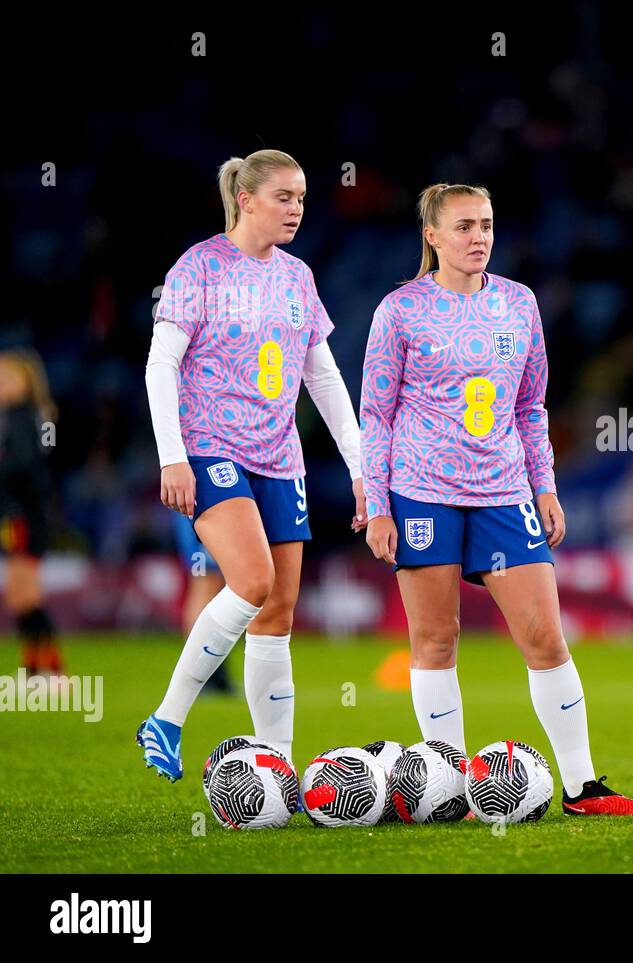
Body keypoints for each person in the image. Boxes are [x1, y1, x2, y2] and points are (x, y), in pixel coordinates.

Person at [361, 183, 633, 817]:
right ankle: (443, 790)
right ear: (432, 236)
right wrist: (378, 503)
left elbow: (529, 407)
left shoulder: (519, 304)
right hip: (423, 491)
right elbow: (376, 416)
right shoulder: (401, 310)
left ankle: (583, 786)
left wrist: (544, 486)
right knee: (437, 640)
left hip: (503, 492)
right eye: (464, 226)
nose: (478, 237)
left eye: (486, 224)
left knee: (545, 635)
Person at [139, 149, 365, 782]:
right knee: (252, 581)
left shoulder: (298, 277)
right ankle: (168, 717)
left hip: (279, 456)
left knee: (277, 616)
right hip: (210, 448)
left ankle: (278, 769)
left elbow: (322, 376)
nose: (296, 209)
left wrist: (359, 469)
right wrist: (172, 458)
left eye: (301, 198)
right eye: (284, 197)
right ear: (246, 199)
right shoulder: (200, 266)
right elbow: (160, 365)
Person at [0, 350, 65, 679]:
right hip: (23, 514)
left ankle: (52, 671)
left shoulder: (21, 417)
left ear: (26, 383)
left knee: (25, 594)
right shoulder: (35, 417)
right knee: (19, 594)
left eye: (9, 378)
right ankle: (34, 669)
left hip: (23, 515)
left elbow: (22, 468)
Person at [170, 510, 234, 695]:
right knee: (205, 584)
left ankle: (214, 671)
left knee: (215, 587)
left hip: (205, 509)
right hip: (200, 510)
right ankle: (199, 674)